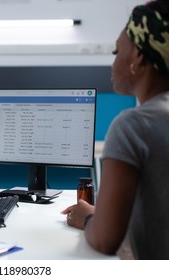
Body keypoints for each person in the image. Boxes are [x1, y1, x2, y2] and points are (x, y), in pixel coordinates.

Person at [61, 0, 169, 260]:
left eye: (116, 52)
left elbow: (105, 239)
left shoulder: (133, 126)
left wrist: (88, 218)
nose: (112, 63)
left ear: (138, 58)